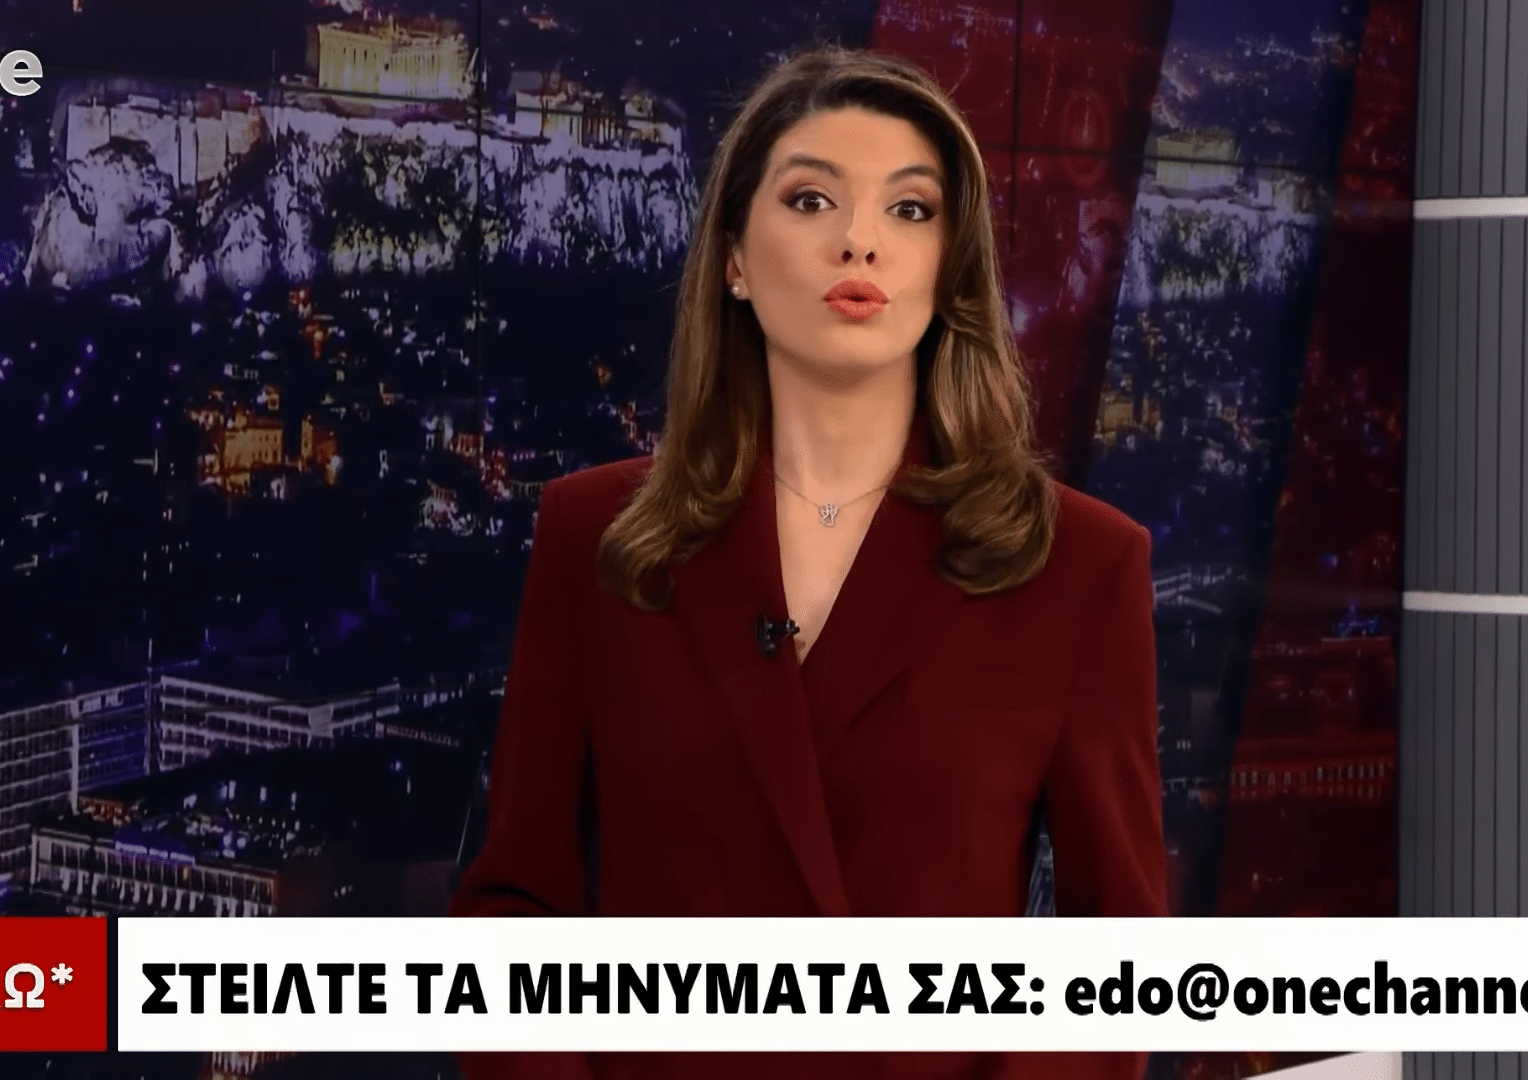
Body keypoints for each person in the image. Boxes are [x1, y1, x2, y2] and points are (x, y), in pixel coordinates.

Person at [450, 45, 1165, 1080]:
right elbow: (517, 903)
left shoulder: (1081, 565)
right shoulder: (595, 533)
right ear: (735, 259)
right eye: (812, 200)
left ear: (950, 271)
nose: (859, 240)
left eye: (909, 210)